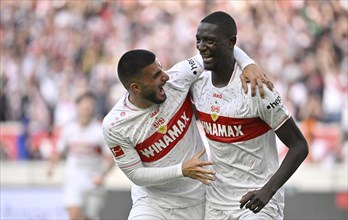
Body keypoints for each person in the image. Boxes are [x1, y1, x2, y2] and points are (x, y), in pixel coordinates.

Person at [102, 47, 272, 219]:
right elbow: (136, 174)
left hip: (198, 201)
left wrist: (248, 64)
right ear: (136, 87)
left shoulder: (178, 78)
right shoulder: (116, 125)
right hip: (154, 204)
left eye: (161, 68)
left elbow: (220, 47)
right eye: (155, 76)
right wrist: (181, 170)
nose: (165, 77)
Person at [190, 11, 309, 220]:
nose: (201, 47)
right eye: (198, 40)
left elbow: (299, 146)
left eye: (209, 41)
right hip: (216, 204)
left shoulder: (256, 89)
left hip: (257, 203)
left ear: (231, 43)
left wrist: (267, 191)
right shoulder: (197, 83)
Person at [47, 91, 114, 220]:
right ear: (77, 107)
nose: (87, 109)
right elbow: (59, 151)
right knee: (74, 214)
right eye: (84, 105)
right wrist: (51, 166)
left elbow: (111, 159)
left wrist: (102, 176)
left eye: (90, 106)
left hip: (93, 180)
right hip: (74, 177)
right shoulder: (68, 129)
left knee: (89, 217)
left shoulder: (99, 131)